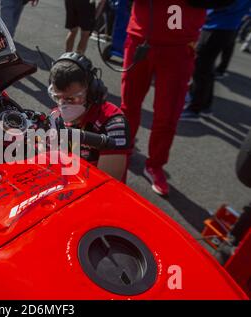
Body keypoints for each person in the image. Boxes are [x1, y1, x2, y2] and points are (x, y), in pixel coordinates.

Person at [120, 0, 215, 196]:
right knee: (129, 105)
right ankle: (123, 150)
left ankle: (155, 164)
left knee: (168, 114)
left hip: (179, 47)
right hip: (140, 37)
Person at [48, 52, 130, 181]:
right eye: (57, 98)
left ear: (91, 91)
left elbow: (107, 185)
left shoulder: (113, 124)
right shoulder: (55, 116)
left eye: (72, 99)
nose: (63, 105)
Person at [180, 0, 251, 121]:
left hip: (217, 26)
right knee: (206, 69)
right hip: (225, 26)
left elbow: (219, 5)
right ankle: (203, 105)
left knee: (201, 69)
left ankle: (195, 108)